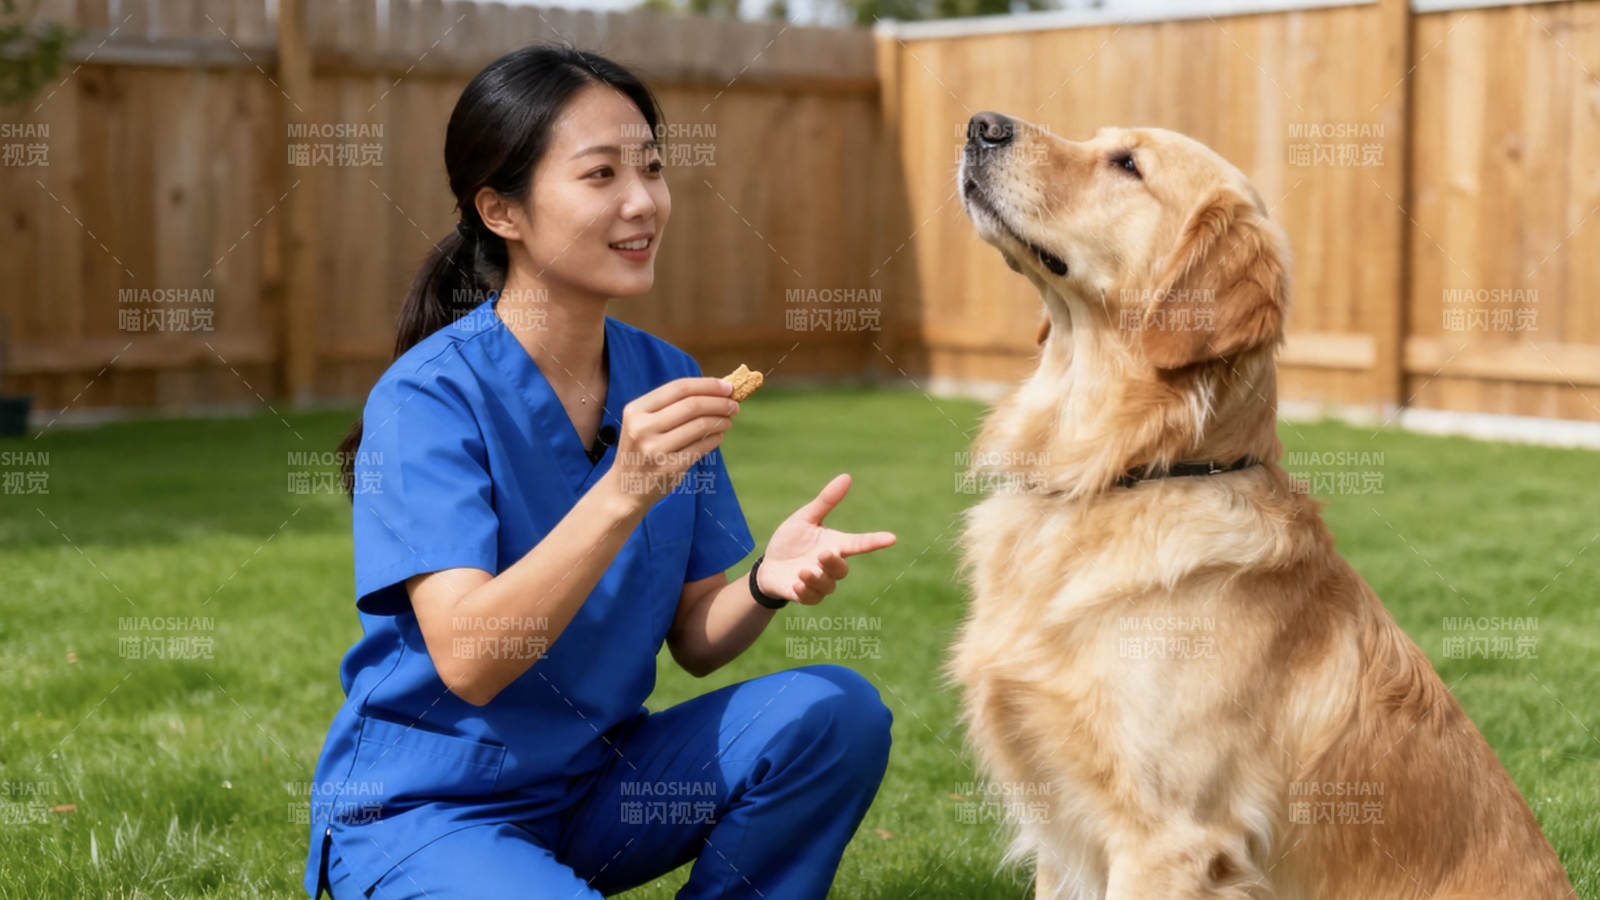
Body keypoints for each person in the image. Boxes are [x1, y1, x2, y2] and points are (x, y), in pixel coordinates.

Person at [303, 45, 899, 899]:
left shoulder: (664, 376)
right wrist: (620, 493)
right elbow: (471, 660)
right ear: (501, 210)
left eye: (652, 168)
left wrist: (765, 582)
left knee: (833, 713)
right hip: (428, 809)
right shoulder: (428, 399)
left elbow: (696, 640)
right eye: (600, 174)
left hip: (595, 788)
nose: (642, 201)